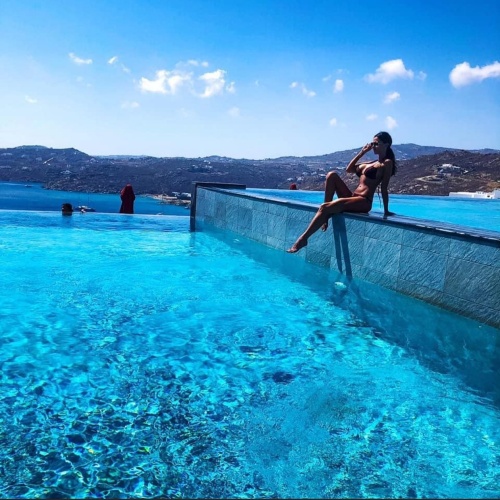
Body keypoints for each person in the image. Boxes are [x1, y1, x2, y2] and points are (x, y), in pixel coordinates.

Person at [287, 131, 396, 253]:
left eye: (376, 143)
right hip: (353, 197)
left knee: (324, 207)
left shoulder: (387, 163)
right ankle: (325, 216)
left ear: (386, 145)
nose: (373, 146)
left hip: (364, 201)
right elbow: (349, 169)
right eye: (372, 143)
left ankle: (303, 239)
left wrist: (386, 211)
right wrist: (362, 152)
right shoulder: (371, 163)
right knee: (331, 175)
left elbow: (384, 188)